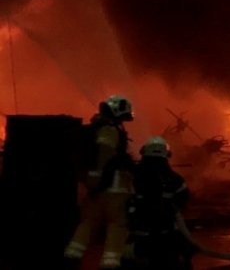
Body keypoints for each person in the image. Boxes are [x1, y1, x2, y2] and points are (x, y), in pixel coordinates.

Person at [63, 94, 136, 269]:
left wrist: (92, 183)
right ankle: (109, 265)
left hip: (97, 191)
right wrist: (101, 179)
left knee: (88, 224)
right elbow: (105, 154)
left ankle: (71, 257)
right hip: (114, 189)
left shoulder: (97, 127)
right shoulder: (109, 130)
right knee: (116, 227)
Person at [127, 136, 193, 269]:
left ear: (144, 153)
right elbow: (183, 199)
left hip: (138, 237)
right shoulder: (174, 179)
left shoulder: (132, 176)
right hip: (166, 238)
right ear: (166, 155)